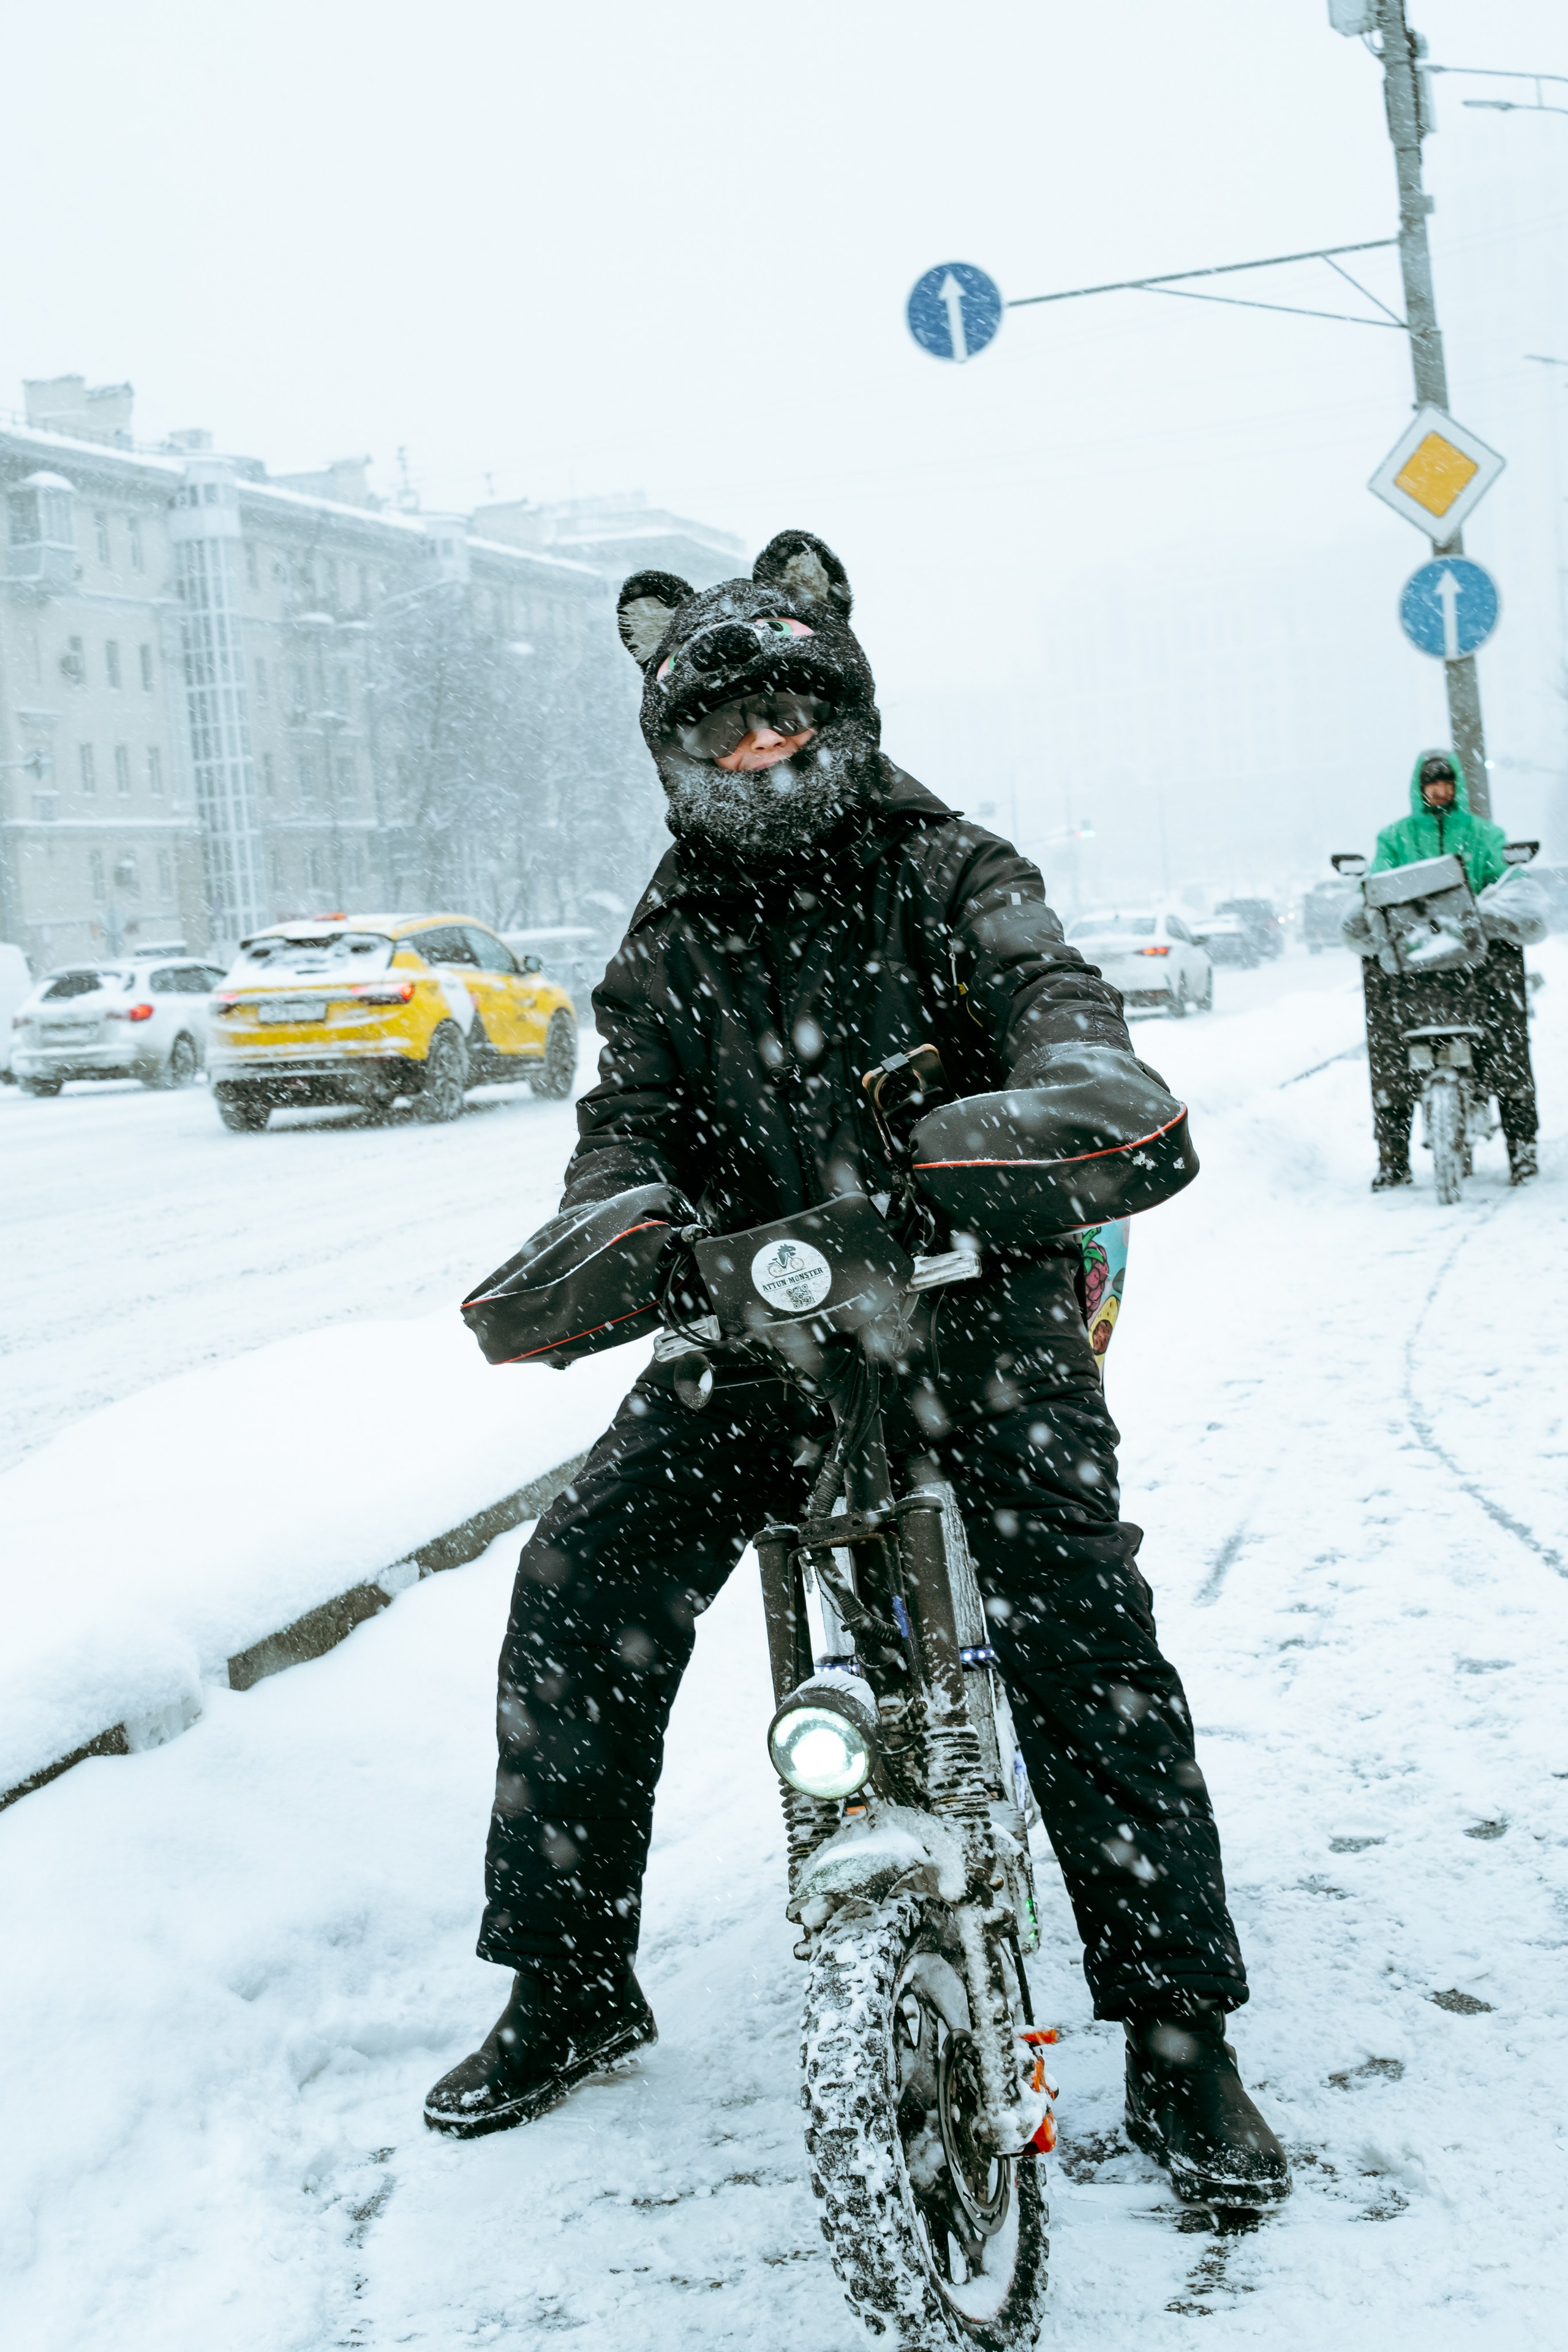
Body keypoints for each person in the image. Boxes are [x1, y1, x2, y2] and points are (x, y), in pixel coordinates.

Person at [424, 532, 1290, 2207]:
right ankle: (569, 1979)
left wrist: (1026, 1122)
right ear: (681, 748)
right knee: (579, 1574)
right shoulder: (666, 937)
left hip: (977, 1304)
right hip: (768, 1329)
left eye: (790, 712)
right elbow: (625, 1129)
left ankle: (1185, 2037)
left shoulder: (952, 866)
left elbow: (1067, 1013)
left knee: (1080, 1624)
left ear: (845, 701)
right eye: (727, 725)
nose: (766, 746)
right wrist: (621, 1233)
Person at [1346, 750, 1544, 1190]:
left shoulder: (1483, 834)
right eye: (1432, 782)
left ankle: (1523, 1152)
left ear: (1457, 785)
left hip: (1475, 960)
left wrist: (1493, 913)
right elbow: (1379, 884)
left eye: (1447, 782)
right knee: (1390, 1062)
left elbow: (1503, 880)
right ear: (1420, 786)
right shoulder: (1395, 837)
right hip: (1414, 962)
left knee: (1509, 1049)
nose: (1440, 789)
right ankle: (1393, 1160)